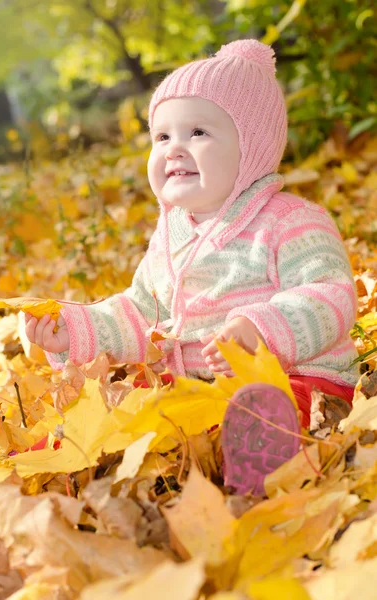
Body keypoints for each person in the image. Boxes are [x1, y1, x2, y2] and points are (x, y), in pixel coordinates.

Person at [25, 39, 359, 496]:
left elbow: (331, 294)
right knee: (123, 411)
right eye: (162, 136)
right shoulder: (170, 237)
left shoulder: (289, 221)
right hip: (196, 391)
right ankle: (32, 463)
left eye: (197, 133)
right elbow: (141, 315)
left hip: (297, 378)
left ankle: (262, 466)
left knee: (270, 406)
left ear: (253, 147)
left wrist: (261, 329)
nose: (174, 150)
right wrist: (76, 331)